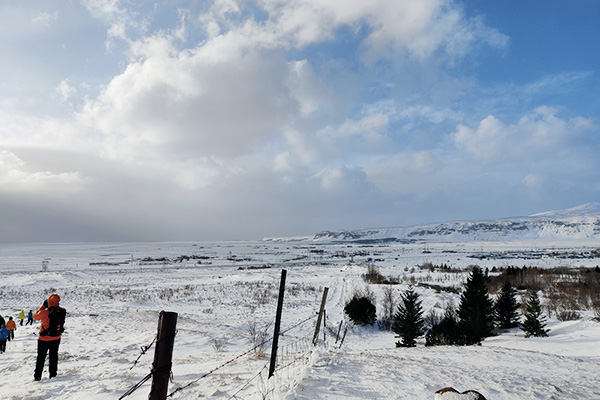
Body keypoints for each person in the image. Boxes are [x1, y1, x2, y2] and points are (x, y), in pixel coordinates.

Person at [33, 294, 65, 381]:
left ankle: (38, 376)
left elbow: (35, 317)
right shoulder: (63, 311)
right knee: (54, 356)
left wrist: (43, 306)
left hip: (44, 339)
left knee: (41, 357)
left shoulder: (45, 312)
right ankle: (53, 375)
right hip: (56, 337)